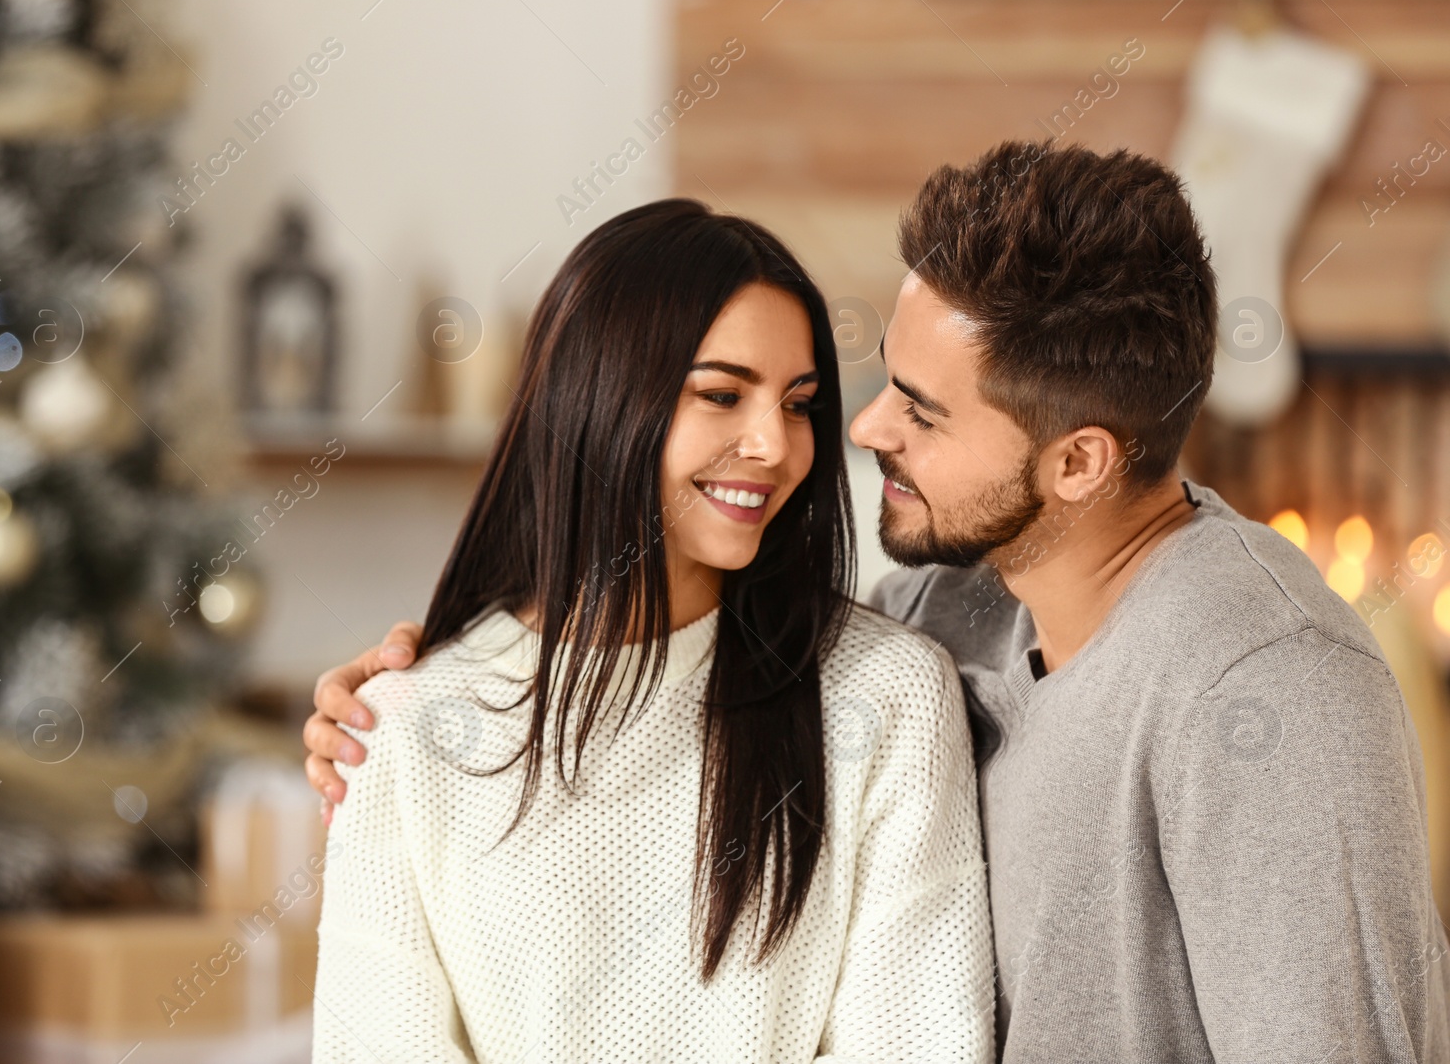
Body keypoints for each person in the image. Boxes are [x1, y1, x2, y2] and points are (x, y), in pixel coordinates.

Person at [307, 142, 1450, 1063]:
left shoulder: (1272, 690)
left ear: (1077, 462)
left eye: (920, 408)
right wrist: (410, 696)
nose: (857, 428)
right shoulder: (946, 612)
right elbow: (701, 676)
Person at [308, 197, 995, 1063]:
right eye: (722, 394)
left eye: (798, 404)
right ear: (598, 398)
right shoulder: (400, 727)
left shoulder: (887, 694)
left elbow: (921, 1043)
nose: (775, 445)